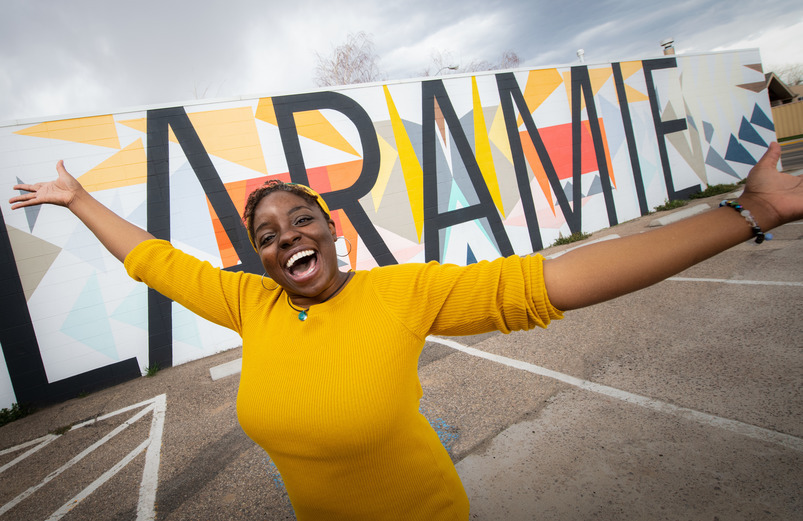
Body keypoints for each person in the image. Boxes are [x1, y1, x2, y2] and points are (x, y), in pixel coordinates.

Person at [9, 142, 802, 520]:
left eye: (301, 220)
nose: (286, 237)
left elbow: (563, 279)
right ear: (261, 257)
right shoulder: (248, 305)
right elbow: (150, 259)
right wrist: (77, 200)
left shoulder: (406, 291)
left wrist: (752, 211)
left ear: (331, 231)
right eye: (268, 234)